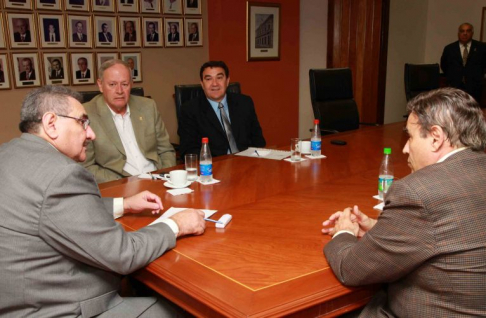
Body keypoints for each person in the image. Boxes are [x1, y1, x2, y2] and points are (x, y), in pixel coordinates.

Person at [0, 85, 206, 317]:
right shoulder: (62, 174)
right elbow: (124, 255)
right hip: (60, 308)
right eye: (82, 122)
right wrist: (177, 224)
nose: (91, 134)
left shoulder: (9, 153)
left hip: (20, 300)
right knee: (192, 309)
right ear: (51, 123)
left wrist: (124, 204)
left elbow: (52, 211)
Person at [321, 87, 486, 317]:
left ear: (436, 138)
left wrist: (344, 232)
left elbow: (352, 269)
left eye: (410, 136)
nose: (405, 148)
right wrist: (382, 229)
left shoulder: (418, 191)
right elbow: (453, 231)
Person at [82, 59, 176, 183]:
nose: (119, 91)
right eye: (112, 84)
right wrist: (125, 184)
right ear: (100, 85)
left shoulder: (148, 106)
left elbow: (166, 150)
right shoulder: (86, 114)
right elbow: (86, 167)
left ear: (131, 84)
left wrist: (163, 176)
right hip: (119, 183)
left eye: (124, 84)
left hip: (157, 178)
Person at [178, 61, 266, 157]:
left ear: (227, 81)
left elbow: (258, 141)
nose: (214, 84)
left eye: (219, 78)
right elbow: (189, 150)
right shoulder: (190, 110)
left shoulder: (244, 103)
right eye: (208, 79)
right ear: (202, 84)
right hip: (213, 167)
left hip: (246, 162)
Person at [440, 23, 486, 103]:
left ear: (472, 33)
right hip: (455, 87)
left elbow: (484, 65)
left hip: (475, 87)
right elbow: (444, 65)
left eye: (468, 31)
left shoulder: (481, 48)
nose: (465, 33)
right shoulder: (450, 48)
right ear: (458, 34)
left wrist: (478, 77)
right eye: (462, 31)